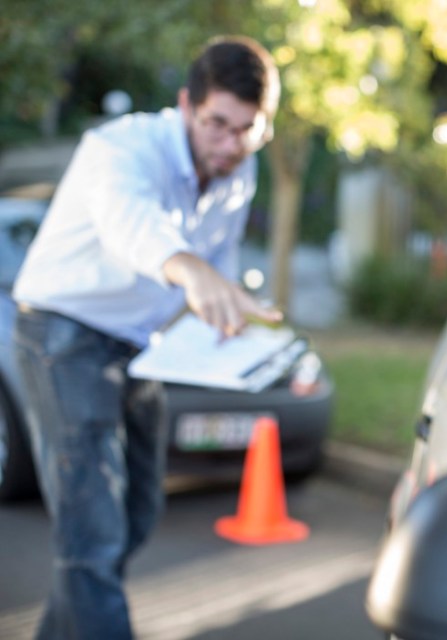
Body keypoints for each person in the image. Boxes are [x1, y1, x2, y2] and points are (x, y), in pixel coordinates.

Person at [12, 35, 282, 639]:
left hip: (141, 342)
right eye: (217, 124)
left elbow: (223, 257)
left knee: (133, 516)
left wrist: (233, 321)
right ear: (187, 104)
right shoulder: (121, 147)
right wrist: (191, 271)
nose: (230, 144)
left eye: (248, 130)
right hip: (64, 329)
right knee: (94, 530)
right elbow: (133, 228)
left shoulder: (241, 167)